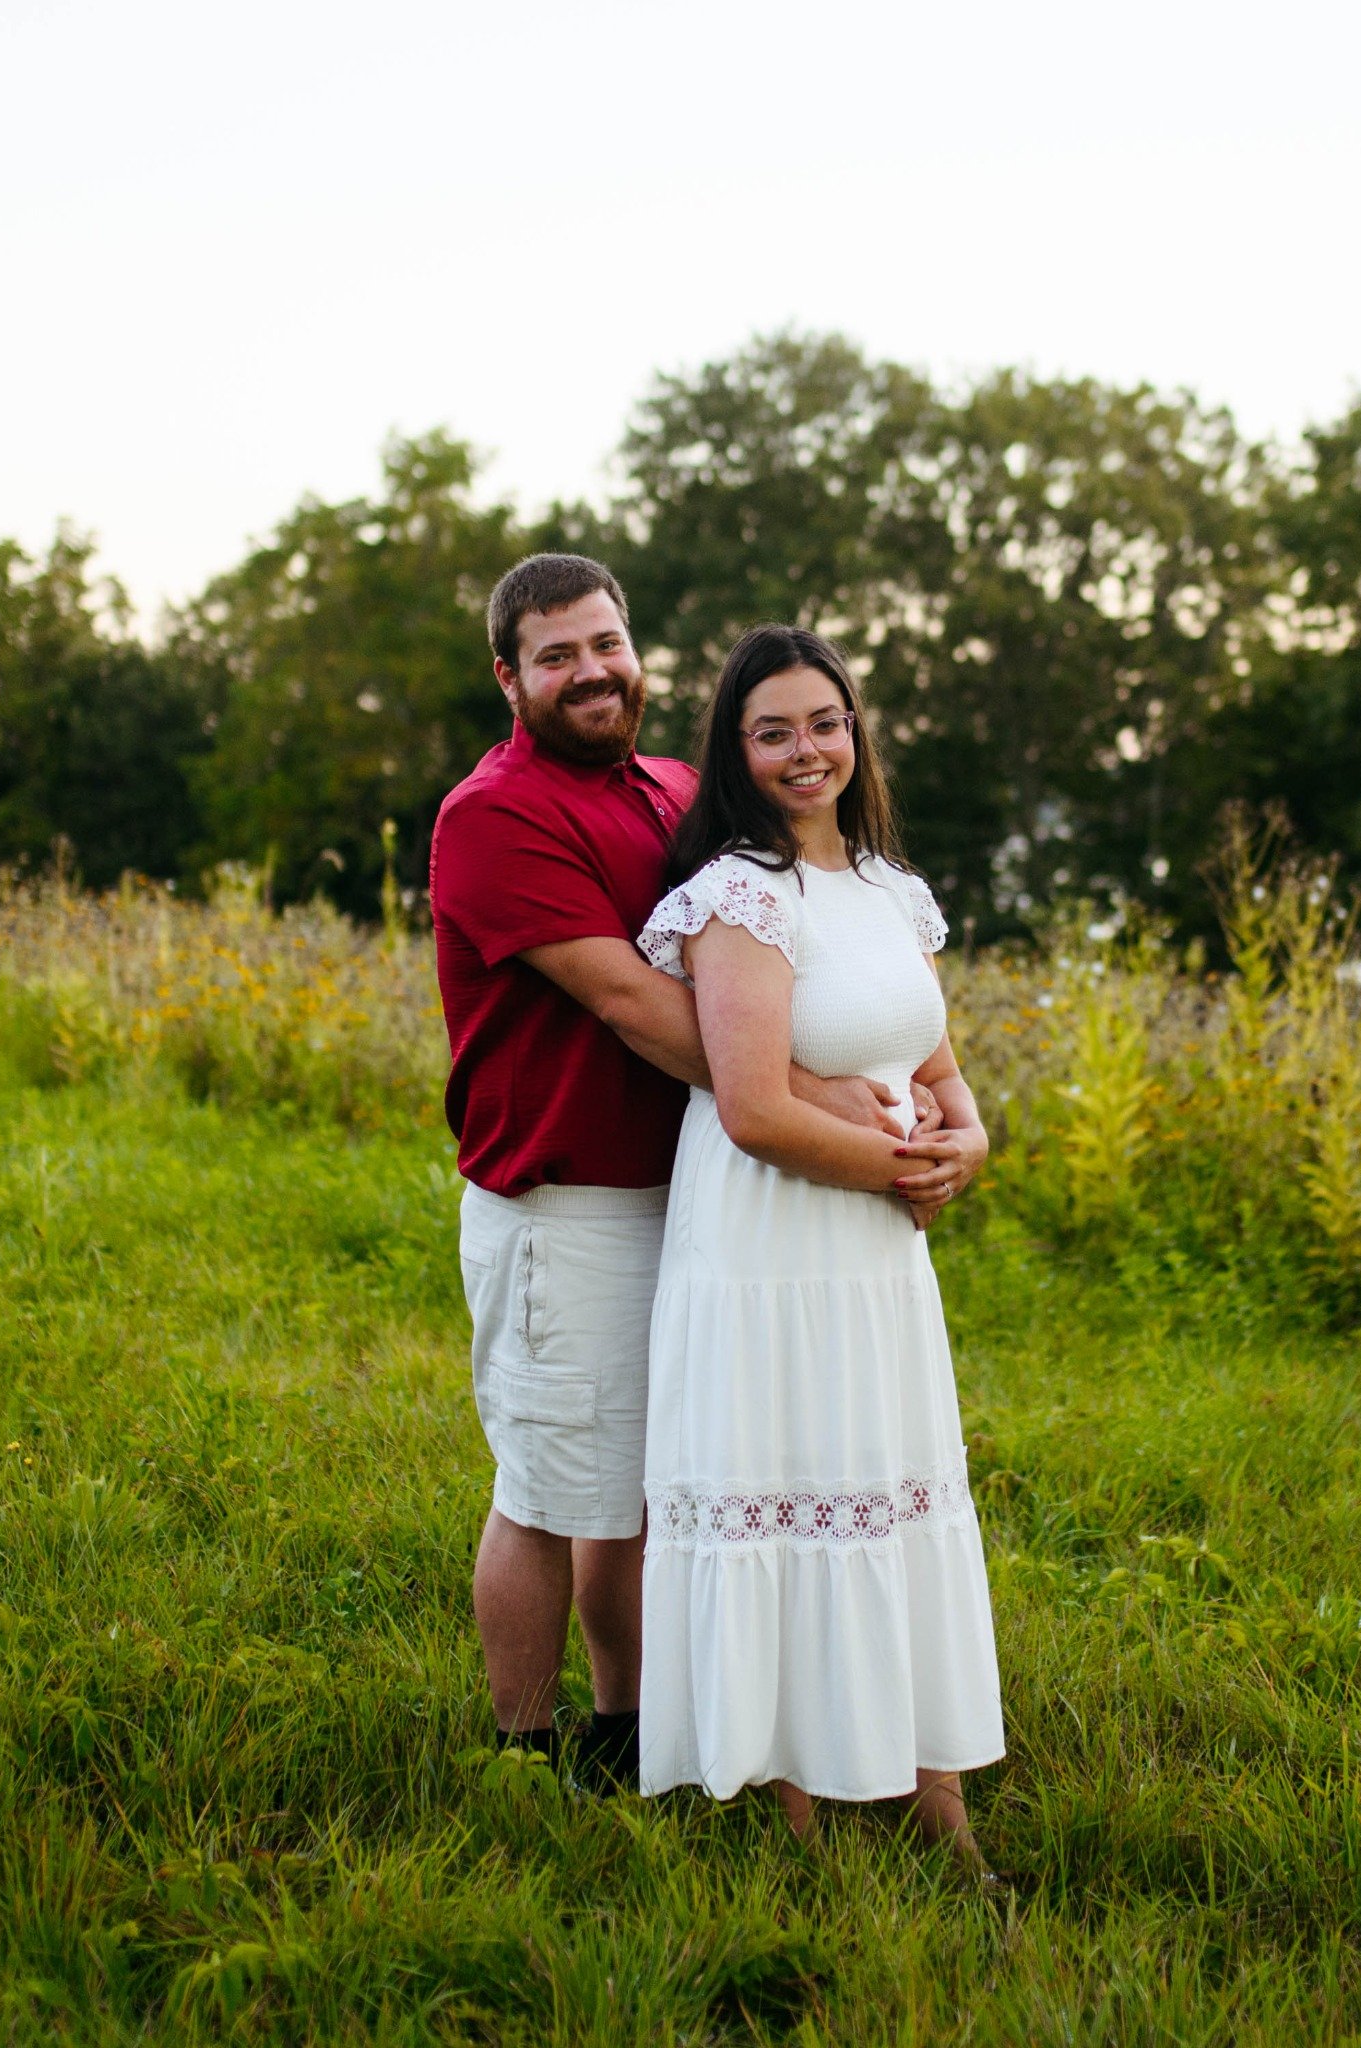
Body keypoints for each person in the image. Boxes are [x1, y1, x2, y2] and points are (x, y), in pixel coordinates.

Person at [429, 556, 952, 1790]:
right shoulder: (493, 813)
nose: (591, 670)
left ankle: (628, 1729)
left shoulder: (669, 790)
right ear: (509, 676)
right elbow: (627, 999)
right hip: (569, 1196)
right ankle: (522, 1748)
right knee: (558, 1487)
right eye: (555, 654)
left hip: (702, 1199)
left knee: (658, 1482)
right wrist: (813, 1094)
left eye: (605, 642)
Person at [636, 622, 1004, 1865]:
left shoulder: (890, 891)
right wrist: (908, 1167)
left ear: (857, 732)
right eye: (775, 730)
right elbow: (754, 1109)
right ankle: (793, 1812)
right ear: (738, 753)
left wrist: (970, 1143)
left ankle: (933, 1796)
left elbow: (933, 1060)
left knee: (887, 1486)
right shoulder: (740, 894)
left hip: (878, 1259)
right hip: (770, 1249)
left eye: (826, 722)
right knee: (786, 1482)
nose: (808, 750)